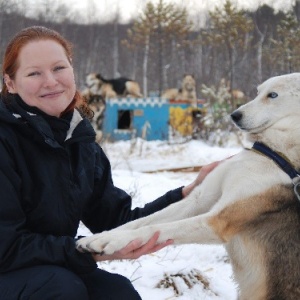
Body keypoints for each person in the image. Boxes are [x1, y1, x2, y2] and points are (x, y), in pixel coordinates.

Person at [0, 26, 219, 300]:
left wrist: (190, 194)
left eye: (59, 68)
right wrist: (89, 249)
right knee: (60, 288)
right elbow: (6, 247)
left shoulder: (79, 141)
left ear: (72, 70)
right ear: (10, 83)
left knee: (117, 292)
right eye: (34, 73)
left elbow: (117, 221)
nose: (51, 81)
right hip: (14, 269)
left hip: (49, 269)